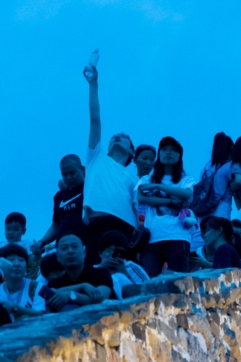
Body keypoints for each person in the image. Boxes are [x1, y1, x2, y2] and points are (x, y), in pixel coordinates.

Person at [82, 61, 138, 263]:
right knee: (95, 274)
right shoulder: (96, 158)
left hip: (125, 228)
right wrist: (93, 84)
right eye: (113, 136)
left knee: (120, 277)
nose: (116, 137)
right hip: (97, 223)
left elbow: (137, 207)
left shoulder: (133, 177)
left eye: (122, 137)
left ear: (132, 150)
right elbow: (95, 119)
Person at [136, 137, 196, 277]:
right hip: (152, 237)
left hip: (178, 236)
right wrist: (170, 201)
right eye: (164, 149)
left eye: (173, 150)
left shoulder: (186, 179)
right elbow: (141, 198)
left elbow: (187, 194)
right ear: (159, 154)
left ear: (180, 156)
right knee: (150, 283)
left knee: (178, 284)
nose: (168, 152)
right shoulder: (146, 179)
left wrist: (158, 186)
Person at [33, 155, 88, 255]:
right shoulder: (59, 196)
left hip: (85, 246)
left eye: (72, 173)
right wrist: (41, 242)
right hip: (63, 249)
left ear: (82, 169)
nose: (69, 177)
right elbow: (55, 226)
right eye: (64, 174)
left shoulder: (90, 188)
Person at [46, 232, 113, 312]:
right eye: (64, 248)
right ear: (58, 258)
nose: (70, 251)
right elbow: (50, 294)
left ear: (84, 253)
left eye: (74, 246)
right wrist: (83, 286)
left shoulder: (101, 273)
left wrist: (71, 295)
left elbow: (101, 300)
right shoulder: (54, 283)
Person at [95, 231, 149, 300]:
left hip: (130, 305)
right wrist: (100, 271)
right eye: (109, 251)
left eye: (116, 252)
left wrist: (126, 274)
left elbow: (148, 291)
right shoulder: (94, 269)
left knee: (118, 277)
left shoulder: (131, 267)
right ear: (100, 253)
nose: (112, 255)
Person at [0, 244, 45, 320]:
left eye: (21, 260)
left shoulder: (37, 287)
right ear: (1, 264)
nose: (17, 264)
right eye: (11, 259)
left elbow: (41, 315)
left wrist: (14, 308)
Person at [198, 133, 234, 219]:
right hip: (222, 205)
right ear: (229, 149)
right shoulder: (229, 166)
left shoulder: (205, 168)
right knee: (221, 231)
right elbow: (236, 184)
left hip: (204, 207)